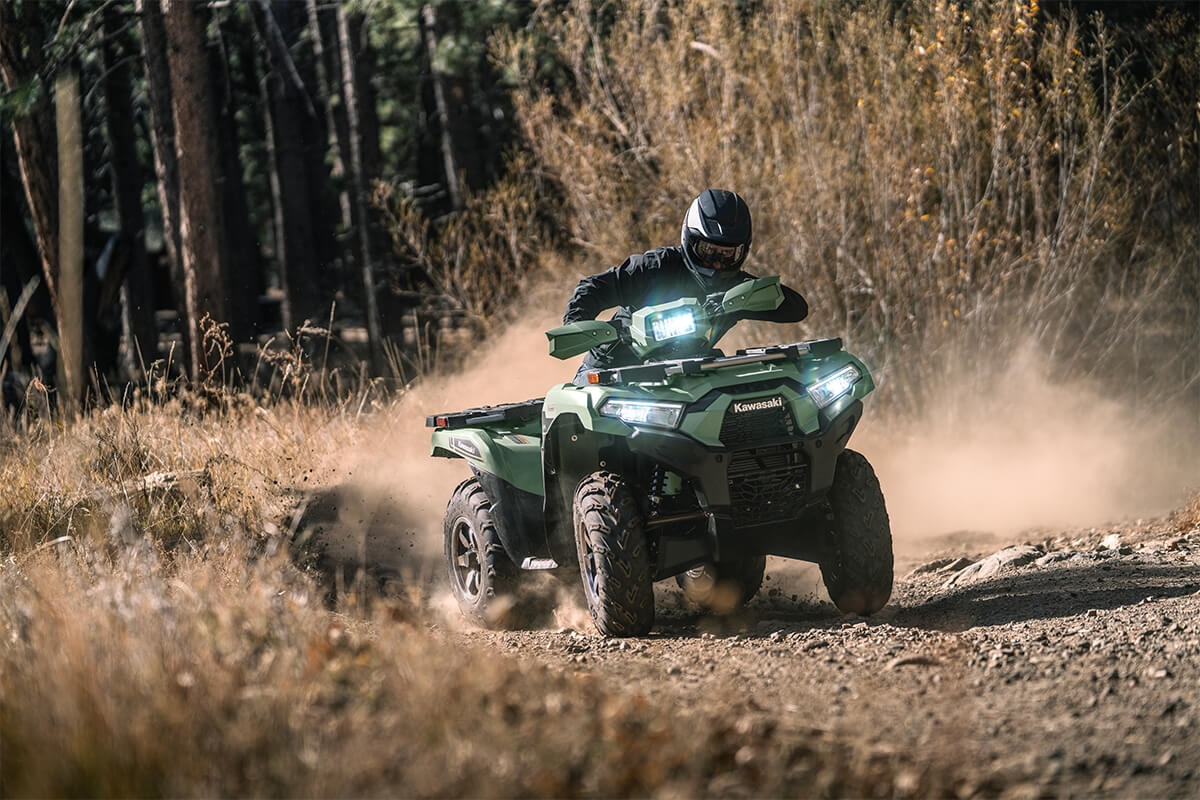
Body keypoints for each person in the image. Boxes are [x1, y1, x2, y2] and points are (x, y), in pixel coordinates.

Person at [564, 188, 808, 383]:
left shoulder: (736, 289)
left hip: (683, 378)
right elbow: (592, 289)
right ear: (690, 240)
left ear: (742, 252)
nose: (717, 262)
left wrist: (741, 298)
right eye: (708, 250)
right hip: (611, 374)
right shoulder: (655, 267)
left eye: (728, 254)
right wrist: (577, 326)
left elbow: (796, 309)